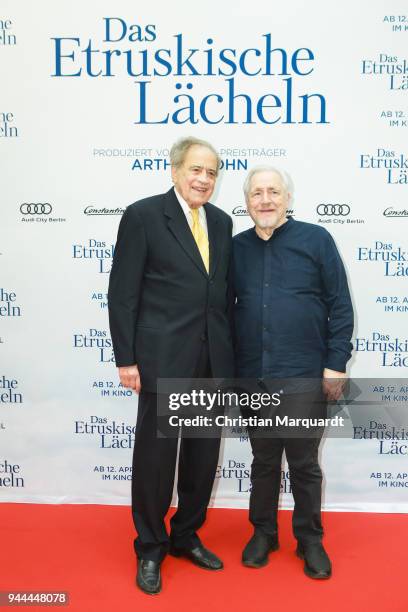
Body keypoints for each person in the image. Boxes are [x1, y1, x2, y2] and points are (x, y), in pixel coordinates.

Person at [108, 137, 234, 595]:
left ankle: (186, 535)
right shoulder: (143, 215)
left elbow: (221, 294)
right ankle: (150, 547)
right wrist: (127, 358)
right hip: (162, 359)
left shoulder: (221, 222)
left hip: (210, 360)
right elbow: (123, 294)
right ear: (176, 170)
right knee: (157, 461)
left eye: (212, 172)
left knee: (202, 458)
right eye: (196, 169)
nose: (204, 178)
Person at [231, 166, 353, 579]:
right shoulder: (235, 248)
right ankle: (263, 533)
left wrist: (336, 364)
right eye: (257, 193)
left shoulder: (316, 240)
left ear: (287, 198)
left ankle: (310, 540)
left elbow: (340, 305)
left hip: (304, 373)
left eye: (273, 192)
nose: (265, 200)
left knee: (303, 462)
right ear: (247, 201)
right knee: (263, 460)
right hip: (253, 374)